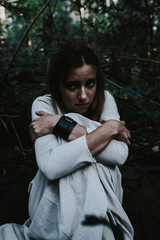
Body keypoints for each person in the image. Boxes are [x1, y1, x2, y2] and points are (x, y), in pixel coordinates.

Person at [0, 42, 134, 239]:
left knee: (85, 164)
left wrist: (60, 124)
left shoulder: (105, 99)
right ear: (57, 85)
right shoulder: (44, 104)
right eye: (72, 86)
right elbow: (51, 166)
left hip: (103, 196)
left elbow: (119, 154)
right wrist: (108, 130)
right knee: (83, 161)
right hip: (52, 202)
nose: (83, 95)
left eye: (90, 83)